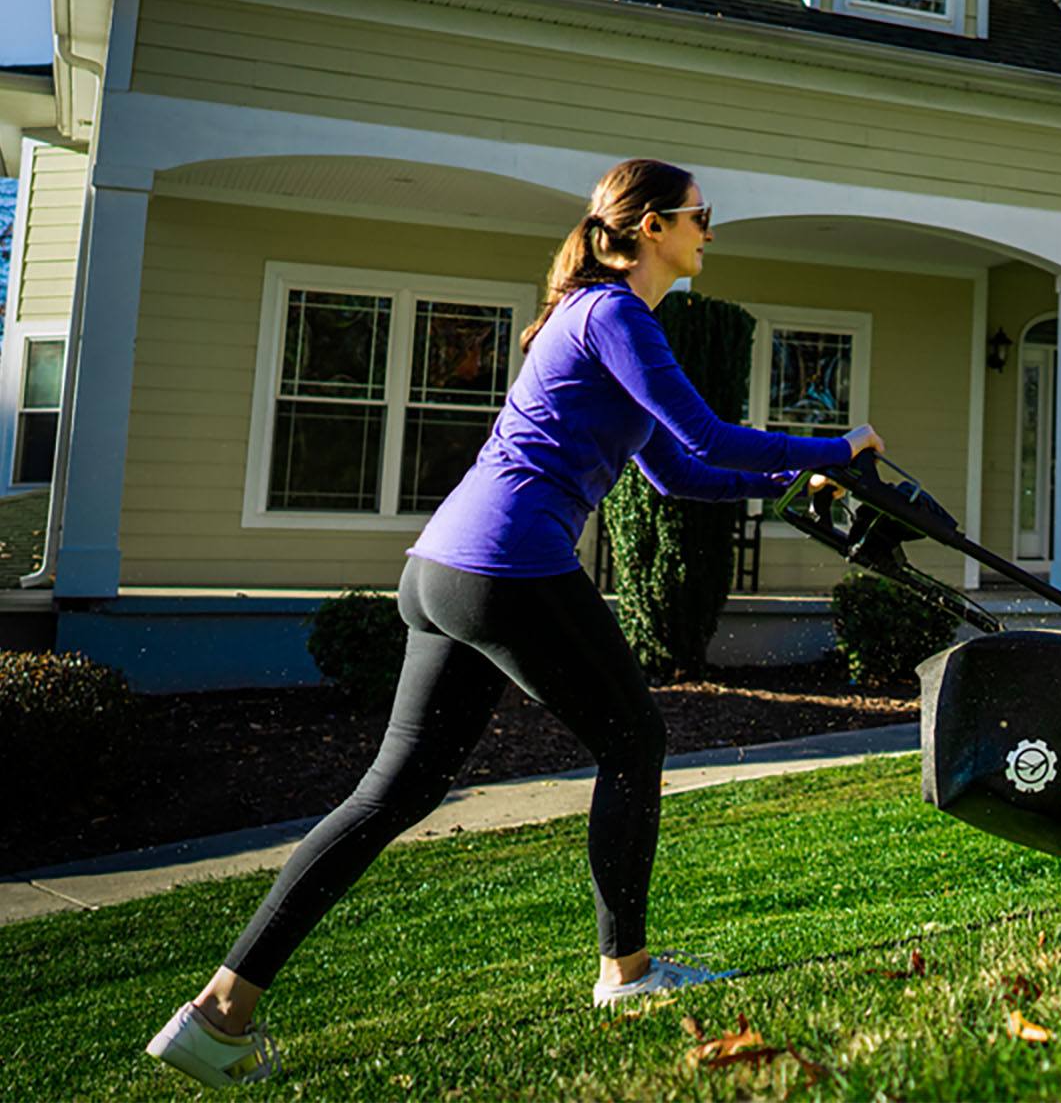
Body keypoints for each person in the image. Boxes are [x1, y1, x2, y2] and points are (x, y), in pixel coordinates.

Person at [145, 158, 882, 1088]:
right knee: (634, 739)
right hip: (509, 566)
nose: (710, 230)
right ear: (652, 226)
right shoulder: (615, 315)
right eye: (702, 214)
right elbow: (707, 438)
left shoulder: (600, 321)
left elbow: (680, 470)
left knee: (392, 794)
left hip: (441, 570)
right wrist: (835, 447)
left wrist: (794, 475)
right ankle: (626, 973)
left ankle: (218, 1013)